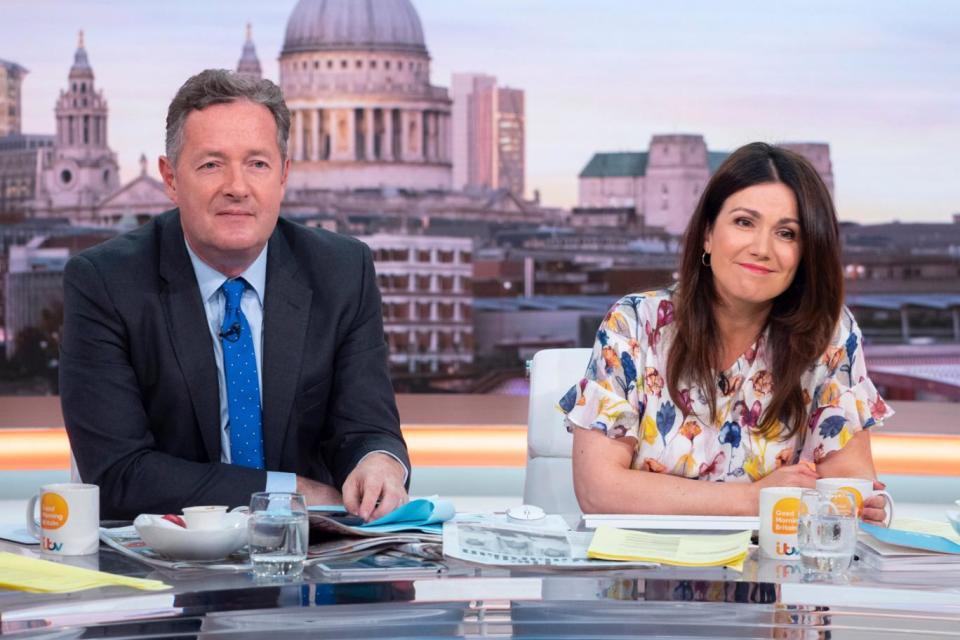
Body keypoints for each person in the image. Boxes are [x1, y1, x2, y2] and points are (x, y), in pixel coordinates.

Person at [60, 70, 409, 521]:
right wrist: (290, 492)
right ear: (170, 178)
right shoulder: (106, 282)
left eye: (257, 164)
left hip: (311, 559)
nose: (237, 187)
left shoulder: (342, 272)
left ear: (283, 176)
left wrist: (378, 461)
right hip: (168, 566)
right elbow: (120, 475)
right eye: (211, 164)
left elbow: (366, 426)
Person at [560, 142, 892, 525]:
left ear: (806, 253)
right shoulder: (634, 322)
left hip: (763, 574)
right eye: (744, 223)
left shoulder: (829, 334)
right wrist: (752, 499)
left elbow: (846, 481)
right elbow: (599, 491)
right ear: (707, 234)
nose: (762, 248)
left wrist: (857, 505)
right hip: (635, 574)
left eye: (786, 233)